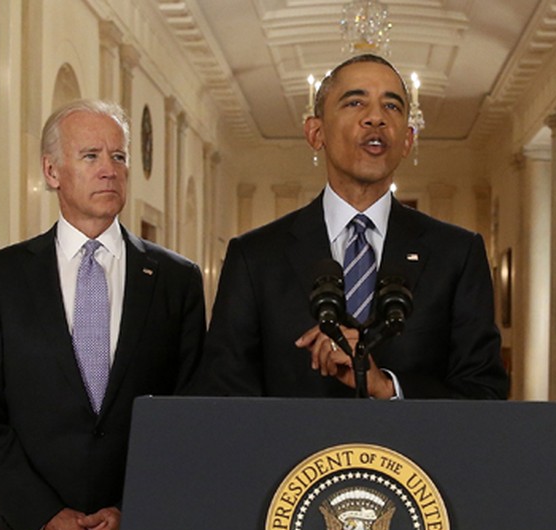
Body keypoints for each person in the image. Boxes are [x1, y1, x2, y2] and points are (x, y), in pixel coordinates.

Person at [0, 99, 205, 530]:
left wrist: (129, 510)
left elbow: (190, 414)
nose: (109, 168)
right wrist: (48, 519)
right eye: (91, 154)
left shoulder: (176, 280)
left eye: (118, 156)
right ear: (52, 171)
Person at [196, 54, 507, 399]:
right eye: (355, 102)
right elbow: (222, 395)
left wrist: (387, 388)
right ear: (316, 133)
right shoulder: (254, 257)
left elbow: (484, 393)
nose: (375, 118)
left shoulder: (457, 254)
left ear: (407, 140)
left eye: (391, 106)